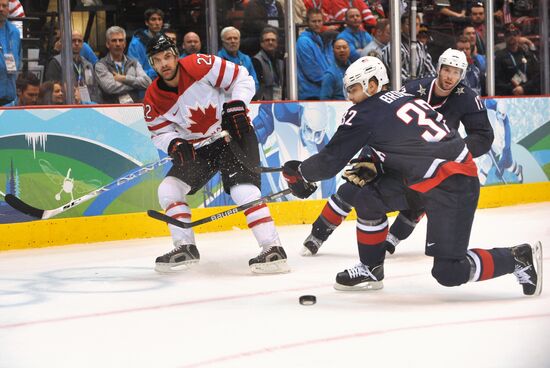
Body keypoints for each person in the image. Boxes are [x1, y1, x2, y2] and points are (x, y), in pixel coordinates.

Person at [282, 56, 542, 296]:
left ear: (372, 84)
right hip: (433, 178)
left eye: (353, 89)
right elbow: (407, 141)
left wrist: (300, 173)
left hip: (452, 185)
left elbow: (330, 161)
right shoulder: (405, 98)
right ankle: (371, 268)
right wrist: (374, 161)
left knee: (449, 272)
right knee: (367, 198)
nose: (350, 97)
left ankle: (517, 258)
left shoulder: (364, 113)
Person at [302, 49, 493, 257]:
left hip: (429, 163)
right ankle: (318, 234)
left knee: (420, 197)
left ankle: (390, 239)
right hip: (394, 154)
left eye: (456, 72)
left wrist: (448, 154)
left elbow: (483, 137)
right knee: (353, 185)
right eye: (447, 70)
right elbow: (379, 120)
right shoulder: (413, 89)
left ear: (463, 75)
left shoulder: (467, 98)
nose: (450, 77)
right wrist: (369, 157)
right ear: (438, 68)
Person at [143, 34, 289, 274]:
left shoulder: (200, 65)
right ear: (152, 64)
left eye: (167, 57)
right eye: (157, 60)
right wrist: (175, 143)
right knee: (169, 189)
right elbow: (160, 133)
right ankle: (185, 247)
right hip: (200, 147)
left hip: (233, 133)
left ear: (176, 55)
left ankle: (272, 248)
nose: (164, 64)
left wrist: (237, 104)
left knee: (242, 189)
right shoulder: (152, 98)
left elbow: (243, 78)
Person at [95, 26, 152, 104]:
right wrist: (136, 84)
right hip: (110, 111)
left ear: (125, 44)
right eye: (114, 41)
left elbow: (147, 82)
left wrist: (124, 78)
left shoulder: (134, 62)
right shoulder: (101, 65)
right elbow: (110, 87)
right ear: (108, 44)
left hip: (133, 109)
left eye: (121, 40)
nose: (118, 44)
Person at [45, 30, 102, 103]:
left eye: (79, 41)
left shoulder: (88, 65)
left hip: (87, 106)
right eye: (73, 41)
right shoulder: (56, 62)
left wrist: (94, 105)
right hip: (66, 106)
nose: (77, 43)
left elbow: (94, 89)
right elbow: (50, 91)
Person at [381, 13, 436, 84]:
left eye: (416, 24)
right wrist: (417, 85)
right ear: (401, 26)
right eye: (409, 24)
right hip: (398, 91)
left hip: (419, 89)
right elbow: (397, 74)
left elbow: (430, 70)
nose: (413, 28)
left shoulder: (421, 46)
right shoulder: (394, 47)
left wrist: (429, 83)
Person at [296, 8, 332, 100]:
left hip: (322, 91)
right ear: (307, 22)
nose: (317, 24)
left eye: (319, 21)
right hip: (310, 94)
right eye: (314, 21)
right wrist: (332, 82)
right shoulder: (303, 42)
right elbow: (313, 73)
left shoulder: (318, 40)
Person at [495, 26, 540, 96]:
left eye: (515, 34)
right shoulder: (499, 56)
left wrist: (524, 88)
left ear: (519, 36)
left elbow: (537, 76)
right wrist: (512, 89)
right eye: (508, 35)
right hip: (509, 95)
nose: (512, 37)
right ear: (504, 38)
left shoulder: (527, 54)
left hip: (529, 94)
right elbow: (497, 80)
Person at [217, 26, 259, 94]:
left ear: (239, 41)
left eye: (235, 38)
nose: (233, 41)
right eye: (229, 39)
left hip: (244, 98)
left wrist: (245, 94)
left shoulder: (246, 59)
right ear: (223, 41)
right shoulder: (217, 59)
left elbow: (255, 83)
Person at [128, 8, 165, 80]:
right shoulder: (136, 44)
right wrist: (157, 71)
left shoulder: (165, 40)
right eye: (153, 19)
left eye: (159, 19)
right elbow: (134, 73)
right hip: (144, 87)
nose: (157, 23)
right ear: (146, 22)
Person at [252, 27, 284, 100]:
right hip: (263, 102)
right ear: (261, 43)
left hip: (279, 100)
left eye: (273, 40)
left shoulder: (280, 60)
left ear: (277, 43)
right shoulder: (256, 60)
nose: (270, 42)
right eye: (267, 40)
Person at [0, 0, 21, 106]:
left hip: (10, 99)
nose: (1, 9)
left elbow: (18, 58)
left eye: (4, 6)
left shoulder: (15, 32)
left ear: (8, 9)